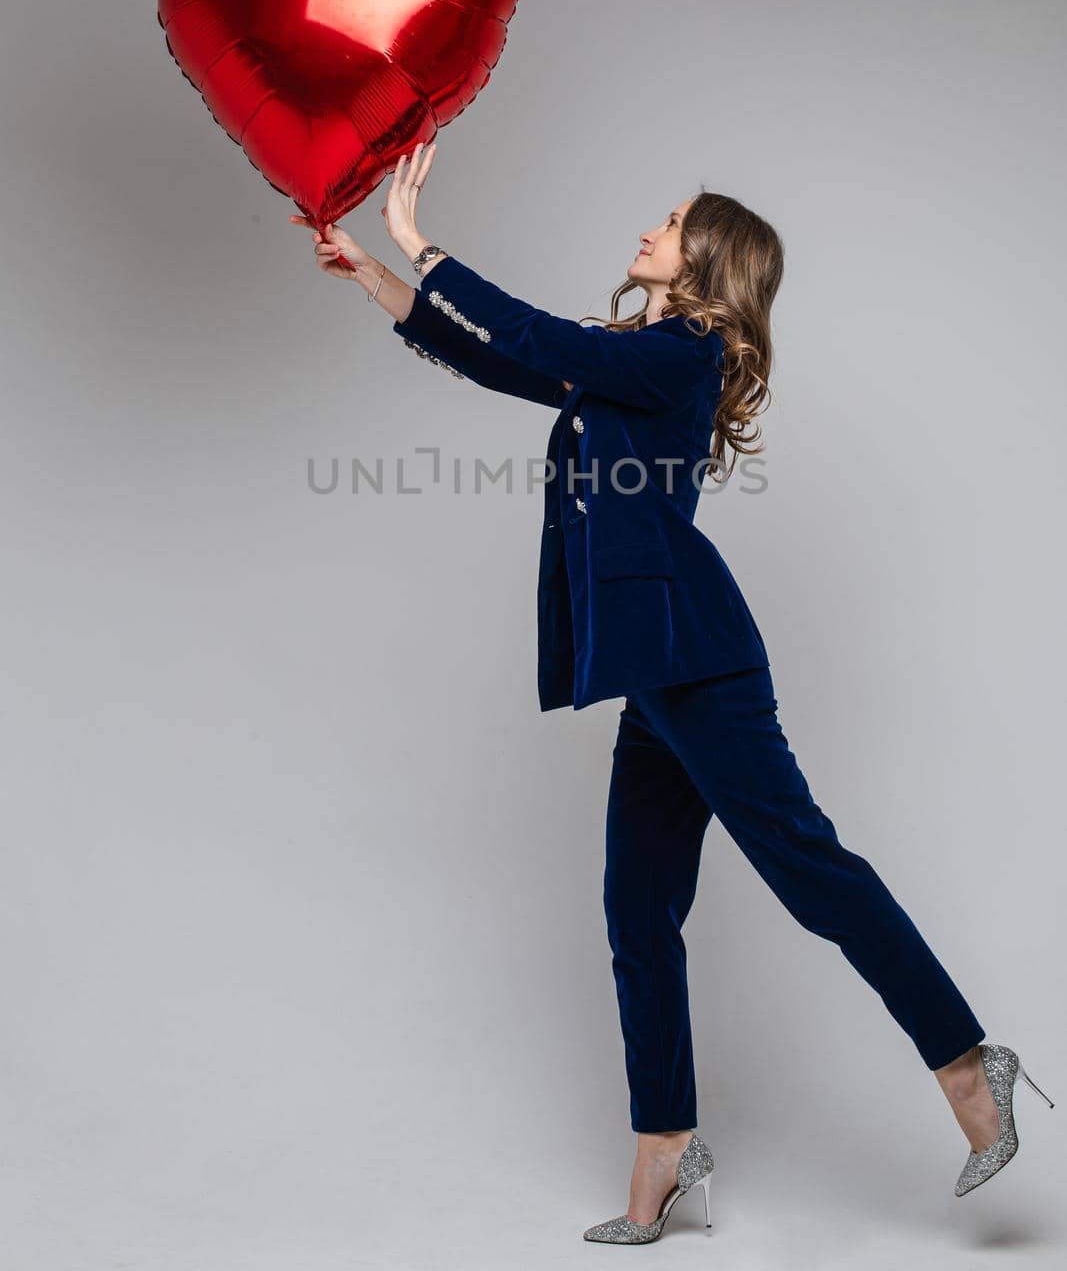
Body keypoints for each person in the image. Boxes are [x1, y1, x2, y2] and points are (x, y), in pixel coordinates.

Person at [291, 142, 1054, 1243]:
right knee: (636, 911)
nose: (650, 228)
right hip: (650, 669)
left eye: (670, 219)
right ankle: (663, 1141)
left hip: (695, 660)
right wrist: (376, 279)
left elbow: (535, 337)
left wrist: (425, 242)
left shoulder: (686, 354)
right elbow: (520, 367)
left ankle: (966, 1060)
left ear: (706, 259)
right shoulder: (636, 353)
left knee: (809, 871)